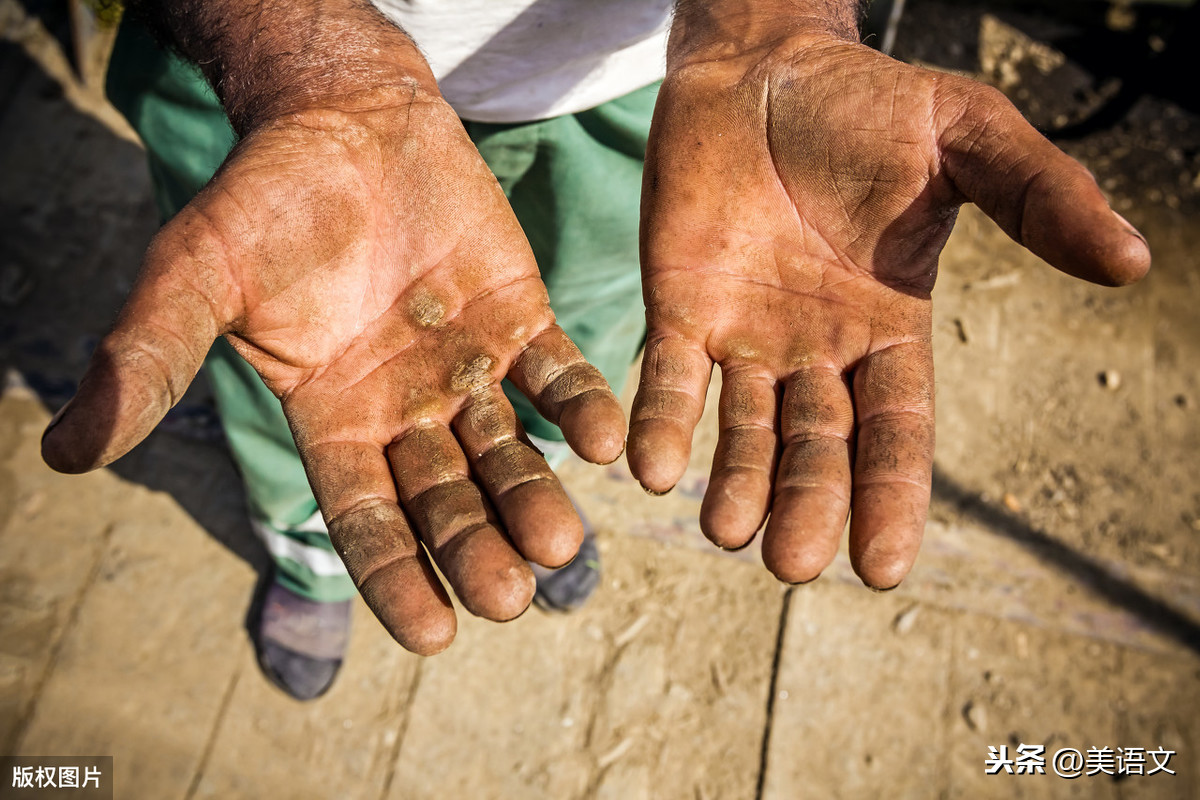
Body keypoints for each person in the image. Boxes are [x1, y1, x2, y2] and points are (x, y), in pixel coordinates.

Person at [42, 0, 1150, 700]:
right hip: (254, 71)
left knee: (599, 328)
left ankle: (543, 482)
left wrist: (773, 23)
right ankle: (308, 551)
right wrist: (299, 63)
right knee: (305, 361)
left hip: (643, 81)